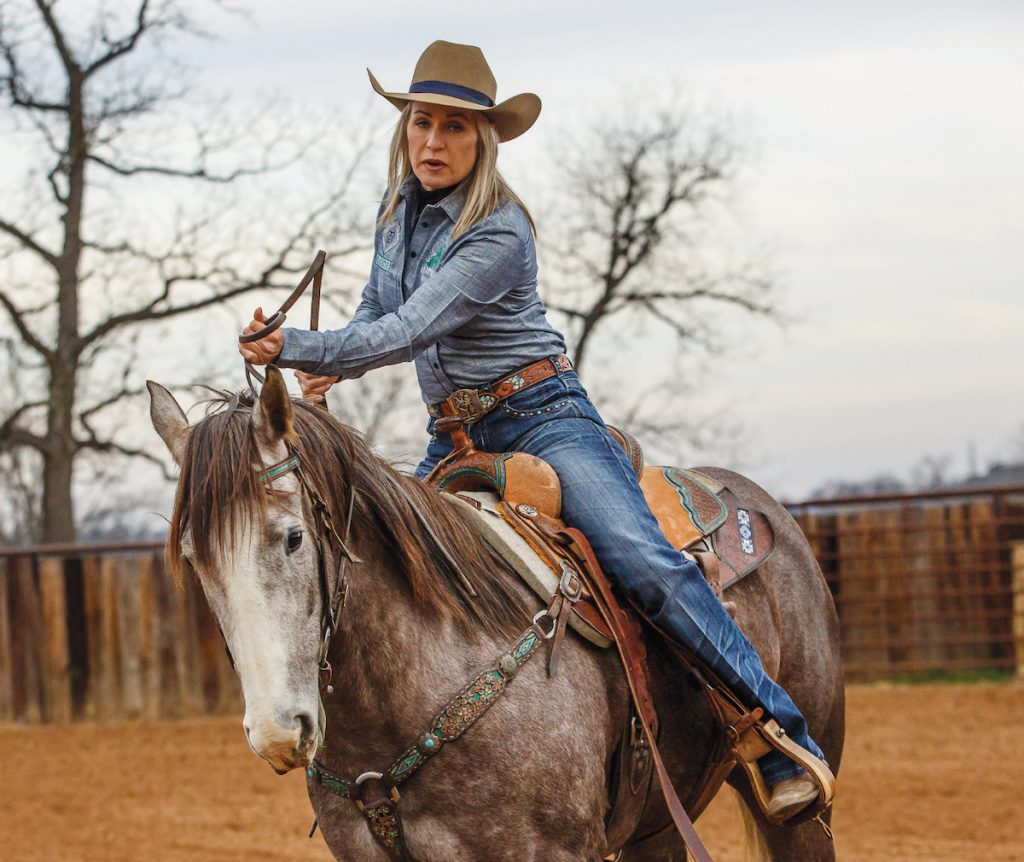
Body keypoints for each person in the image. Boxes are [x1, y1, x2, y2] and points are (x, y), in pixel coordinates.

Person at [239, 39, 826, 820]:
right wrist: (324, 366)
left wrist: (297, 348)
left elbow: (414, 327)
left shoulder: (500, 230)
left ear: (483, 140)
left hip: (544, 419)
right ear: (403, 130)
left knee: (642, 560)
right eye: (422, 123)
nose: (433, 142)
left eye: (454, 127)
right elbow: (376, 318)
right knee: (380, 571)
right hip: (453, 436)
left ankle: (778, 730)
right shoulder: (396, 221)